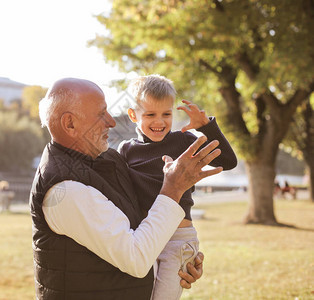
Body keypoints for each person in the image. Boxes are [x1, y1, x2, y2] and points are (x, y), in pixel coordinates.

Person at [30, 77, 223, 300]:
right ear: (70, 124)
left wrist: (178, 260)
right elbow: (136, 258)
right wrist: (173, 188)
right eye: (101, 114)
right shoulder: (65, 190)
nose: (112, 122)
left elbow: (139, 225)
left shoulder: (107, 159)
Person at [118, 74, 237, 299]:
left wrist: (207, 127)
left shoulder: (183, 141)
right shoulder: (126, 151)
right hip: (144, 237)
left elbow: (228, 162)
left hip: (178, 240)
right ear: (133, 115)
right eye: (150, 114)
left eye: (167, 114)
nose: (159, 122)